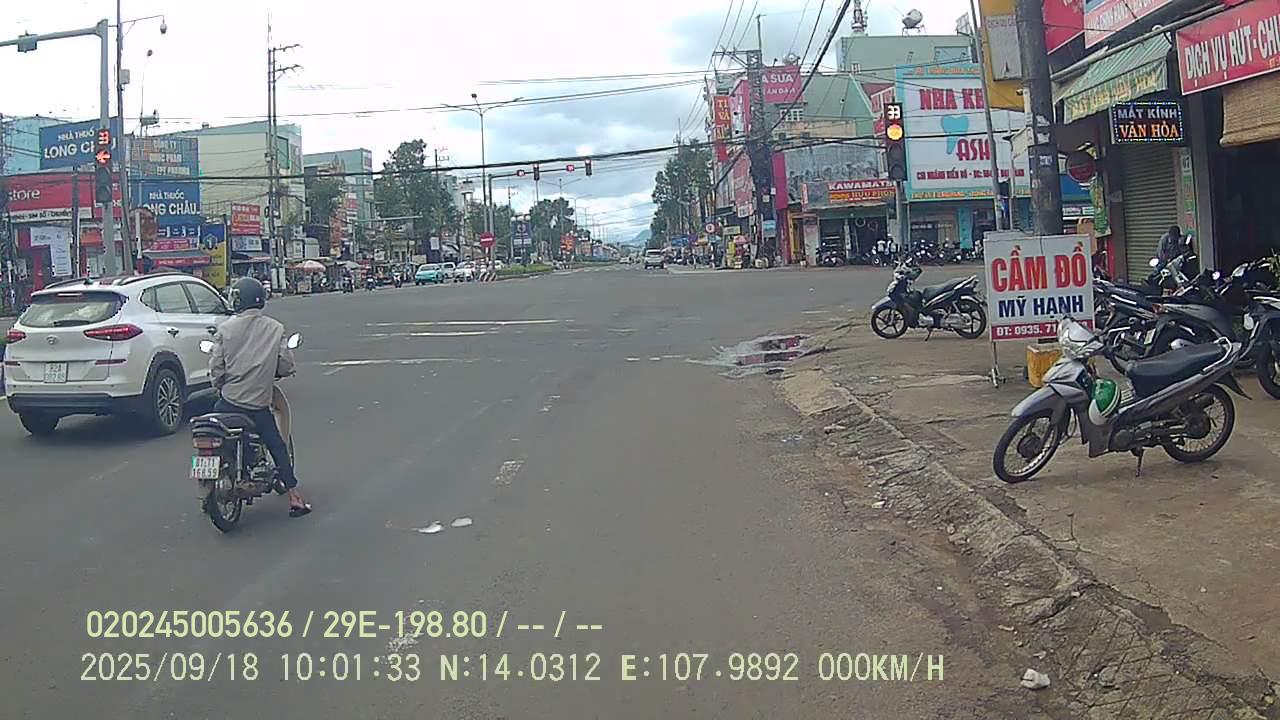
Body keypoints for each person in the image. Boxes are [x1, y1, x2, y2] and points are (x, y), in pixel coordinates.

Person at [210, 277, 311, 518]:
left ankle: (210, 494)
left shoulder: (225, 329)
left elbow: (216, 368)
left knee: (215, 432)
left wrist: (219, 385)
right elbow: (285, 364)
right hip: (257, 405)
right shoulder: (275, 328)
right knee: (277, 445)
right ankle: (295, 498)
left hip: (227, 402)